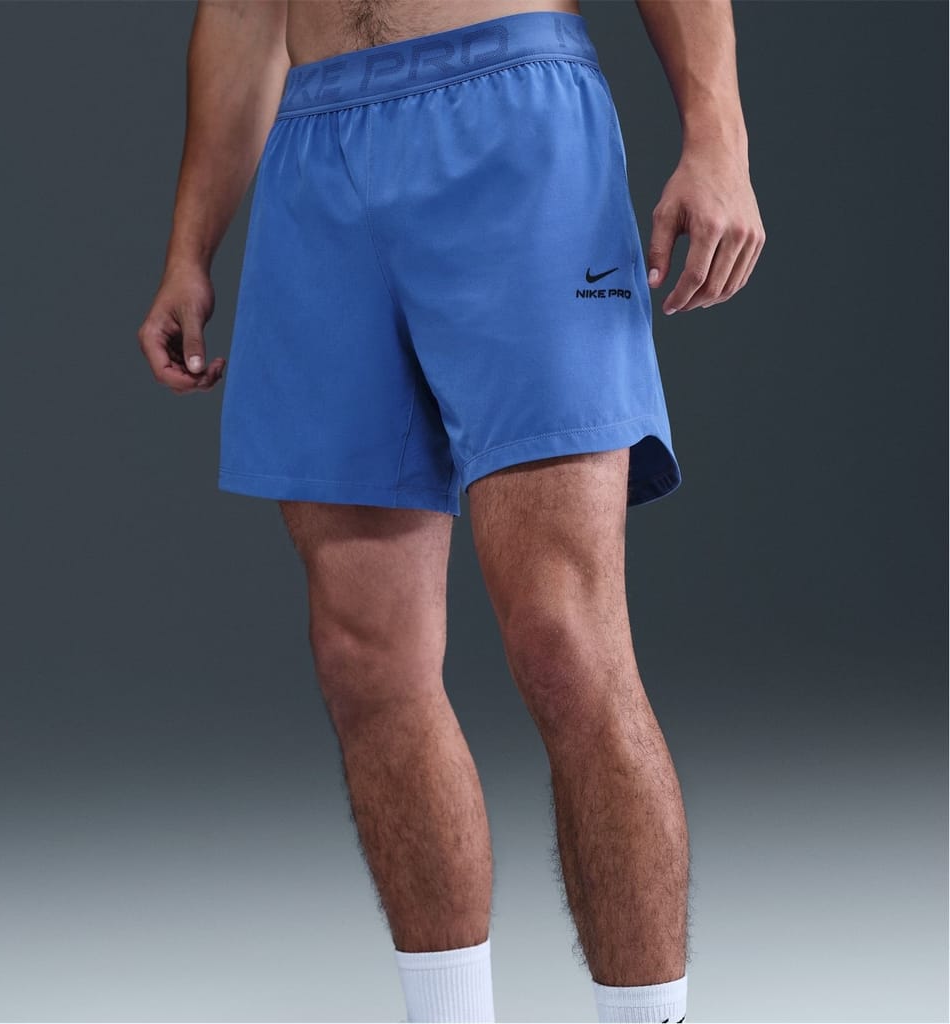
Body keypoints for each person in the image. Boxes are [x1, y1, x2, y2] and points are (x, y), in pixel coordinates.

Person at [137, 1, 764, 1021]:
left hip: (511, 117)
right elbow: (244, 10)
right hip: (318, 153)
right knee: (363, 658)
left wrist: (717, 135)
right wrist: (189, 246)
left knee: (563, 638)